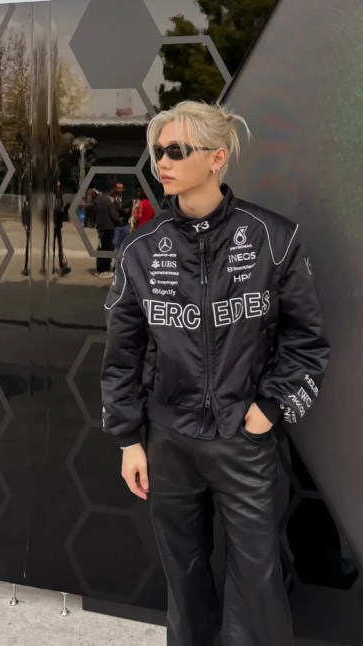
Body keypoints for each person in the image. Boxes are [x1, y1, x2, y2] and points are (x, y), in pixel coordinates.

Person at [101, 101, 330, 646]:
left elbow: (307, 341)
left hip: (244, 441)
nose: (163, 162)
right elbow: (121, 353)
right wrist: (129, 440)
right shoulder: (140, 247)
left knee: (257, 581)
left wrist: (268, 410)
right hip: (168, 441)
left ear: (217, 158)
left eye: (177, 150)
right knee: (183, 579)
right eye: (158, 151)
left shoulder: (274, 236)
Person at [94, 185, 121, 277]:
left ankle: (100, 268)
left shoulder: (98, 199)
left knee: (101, 246)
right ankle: (105, 268)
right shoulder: (109, 200)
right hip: (109, 226)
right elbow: (114, 215)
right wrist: (120, 220)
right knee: (108, 247)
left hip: (100, 226)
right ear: (110, 190)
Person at [52, 181, 71, 276]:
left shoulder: (59, 199)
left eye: (59, 187)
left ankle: (62, 265)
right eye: (57, 187)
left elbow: (61, 212)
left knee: (60, 246)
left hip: (57, 226)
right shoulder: (54, 199)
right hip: (54, 225)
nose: (58, 189)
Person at [111, 182, 132, 251]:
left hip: (125, 224)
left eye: (121, 188)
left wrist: (124, 210)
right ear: (115, 189)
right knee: (115, 244)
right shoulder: (111, 198)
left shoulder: (128, 199)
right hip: (114, 225)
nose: (119, 190)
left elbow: (130, 210)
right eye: (118, 188)